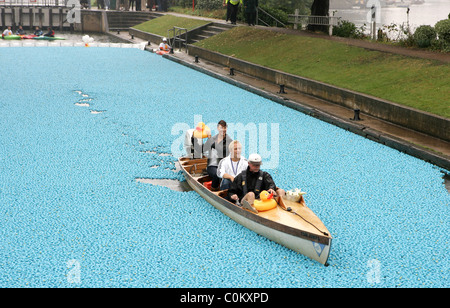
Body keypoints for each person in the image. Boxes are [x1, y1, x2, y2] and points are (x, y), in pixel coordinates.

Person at [203, 120, 233, 191]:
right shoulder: (213, 138)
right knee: (217, 174)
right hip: (212, 165)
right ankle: (214, 190)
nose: (223, 129)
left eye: (225, 128)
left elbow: (222, 153)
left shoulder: (229, 141)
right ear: (218, 128)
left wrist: (211, 141)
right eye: (221, 127)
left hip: (223, 165)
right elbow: (204, 148)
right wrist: (209, 139)